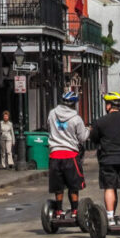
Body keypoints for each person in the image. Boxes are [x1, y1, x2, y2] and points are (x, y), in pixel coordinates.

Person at [88, 91, 120, 226]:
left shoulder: (101, 122)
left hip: (107, 158)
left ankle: (109, 217)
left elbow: (93, 139)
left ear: (108, 106)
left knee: (109, 187)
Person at [46, 90, 91, 218]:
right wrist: (88, 130)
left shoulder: (52, 114)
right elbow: (82, 138)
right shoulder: (76, 119)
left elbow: (49, 128)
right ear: (74, 104)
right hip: (70, 155)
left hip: (55, 155)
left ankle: (59, 210)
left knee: (58, 186)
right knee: (73, 185)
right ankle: (75, 210)